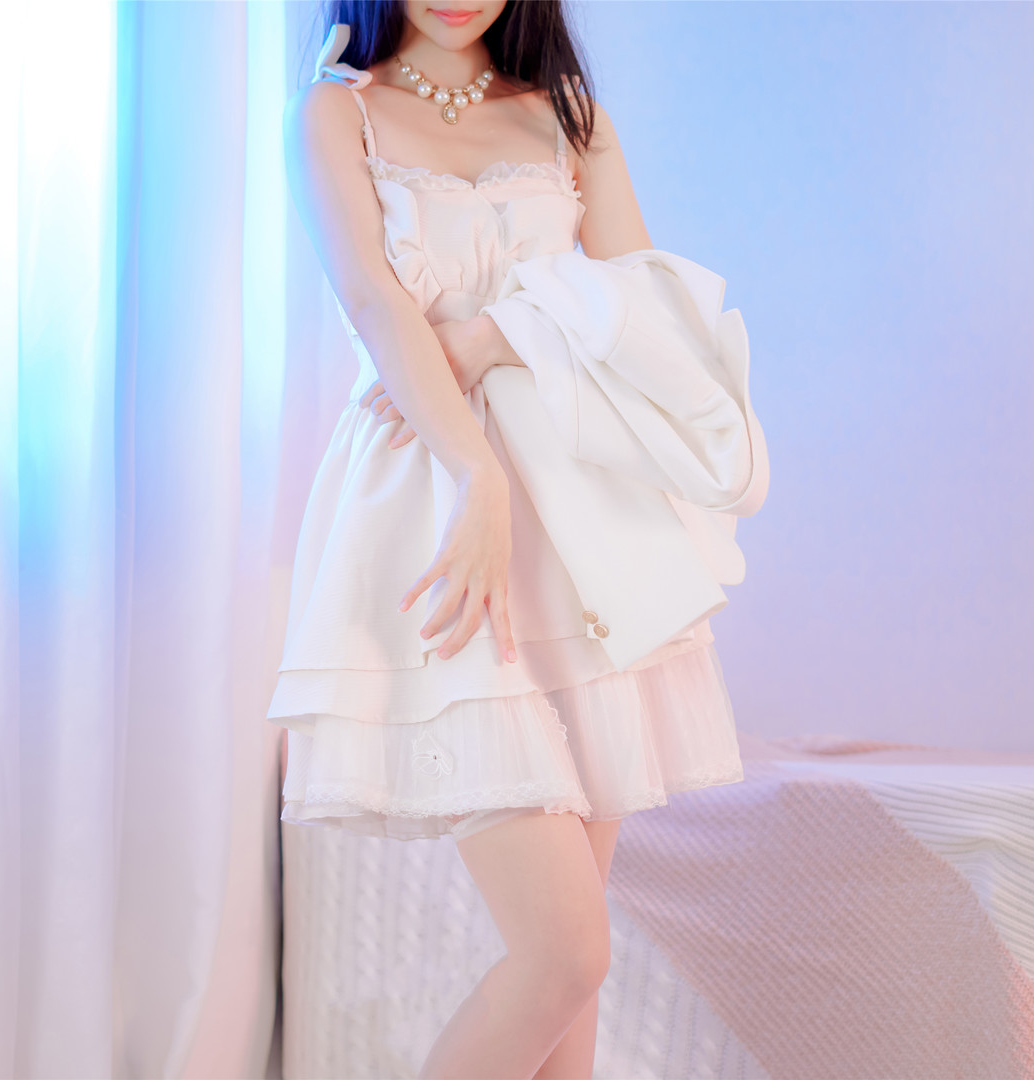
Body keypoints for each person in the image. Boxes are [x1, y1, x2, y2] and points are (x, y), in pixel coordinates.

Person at [272, 3, 763, 1076]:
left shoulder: (570, 116)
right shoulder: (336, 114)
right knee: (564, 954)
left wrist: (492, 333)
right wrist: (475, 475)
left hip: (583, 528)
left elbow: (645, 312)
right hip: (431, 511)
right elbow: (373, 301)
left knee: (570, 991)